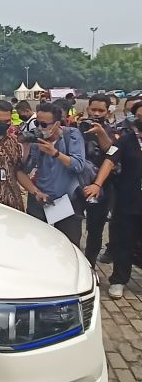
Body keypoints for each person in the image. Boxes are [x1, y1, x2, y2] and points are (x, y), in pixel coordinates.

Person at [83, 111, 142, 298]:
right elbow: (109, 161)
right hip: (128, 201)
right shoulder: (126, 140)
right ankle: (118, 280)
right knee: (124, 242)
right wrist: (97, 184)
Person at [22, 103, 86, 245]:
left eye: (44, 124)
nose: (39, 128)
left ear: (57, 124)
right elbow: (24, 170)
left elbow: (79, 165)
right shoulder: (36, 139)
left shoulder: (72, 135)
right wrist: (26, 149)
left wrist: (55, 153)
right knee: (35, 242)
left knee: (69, 244)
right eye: (37, 123)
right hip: (41, 197)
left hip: (67, 200)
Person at [80, 94, 120, 267]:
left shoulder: (115, 131)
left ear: (107, 111)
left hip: (102, 187)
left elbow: (112, 153)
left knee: (95, 230)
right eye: (93, 109)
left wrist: (101, 133)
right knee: (72, 224)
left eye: (100, 110)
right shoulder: (77, 127)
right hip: (78, 184)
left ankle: (90, 264)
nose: (96, 113)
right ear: (88, 108)